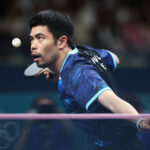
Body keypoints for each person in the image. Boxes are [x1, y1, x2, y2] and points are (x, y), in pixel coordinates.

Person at [28, 10, 150, 150]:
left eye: (40, 38)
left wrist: (139, 120)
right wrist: (58, 74)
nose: (33, 45)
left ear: (61, 41)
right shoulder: (81, 51)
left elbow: (110, 100)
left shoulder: (76, 73)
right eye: (32, 39)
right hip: (124, 142)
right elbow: (114, 58)